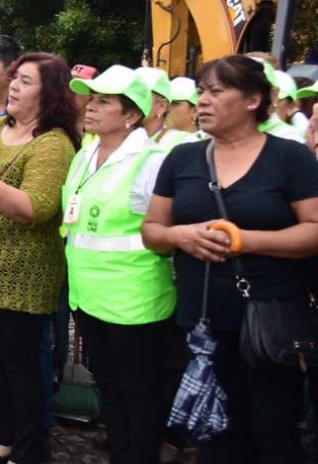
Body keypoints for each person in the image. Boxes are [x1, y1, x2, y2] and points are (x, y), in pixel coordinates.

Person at [143, 55, 318, 464]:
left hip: (271, 320)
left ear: (253, 100)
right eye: (201, 91)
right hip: (202, 323)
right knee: (215, 433)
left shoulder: (290, 157)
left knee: (274, 432)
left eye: (216, 91)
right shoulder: (183, 158)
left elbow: (313, 229)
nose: (202, 101)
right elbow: (152, 230)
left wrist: (244, 241)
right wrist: (180, 235)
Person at [0, 52, 79, 464]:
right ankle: (7, 441)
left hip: (21, 276)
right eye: (15, 78)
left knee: (21, 370)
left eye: (26, 81)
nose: (14, 87)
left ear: (49, 93)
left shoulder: (53, 144)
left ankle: (30, 451)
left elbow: (34, 207)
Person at [64, 66, 174, 464]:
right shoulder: (86, 153)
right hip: (89, 296)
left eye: (103, 101)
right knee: (109, 385)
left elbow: (162, 229)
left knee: (138, 391)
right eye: (91, 99)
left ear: (131, 115)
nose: (91, 107)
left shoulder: (151, 161)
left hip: (134, 299)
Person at [135, 68, 196, 150]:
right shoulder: (125, 139)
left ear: (161, 106)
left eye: (141, 95)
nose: (132, 100)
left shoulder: (186, 143)